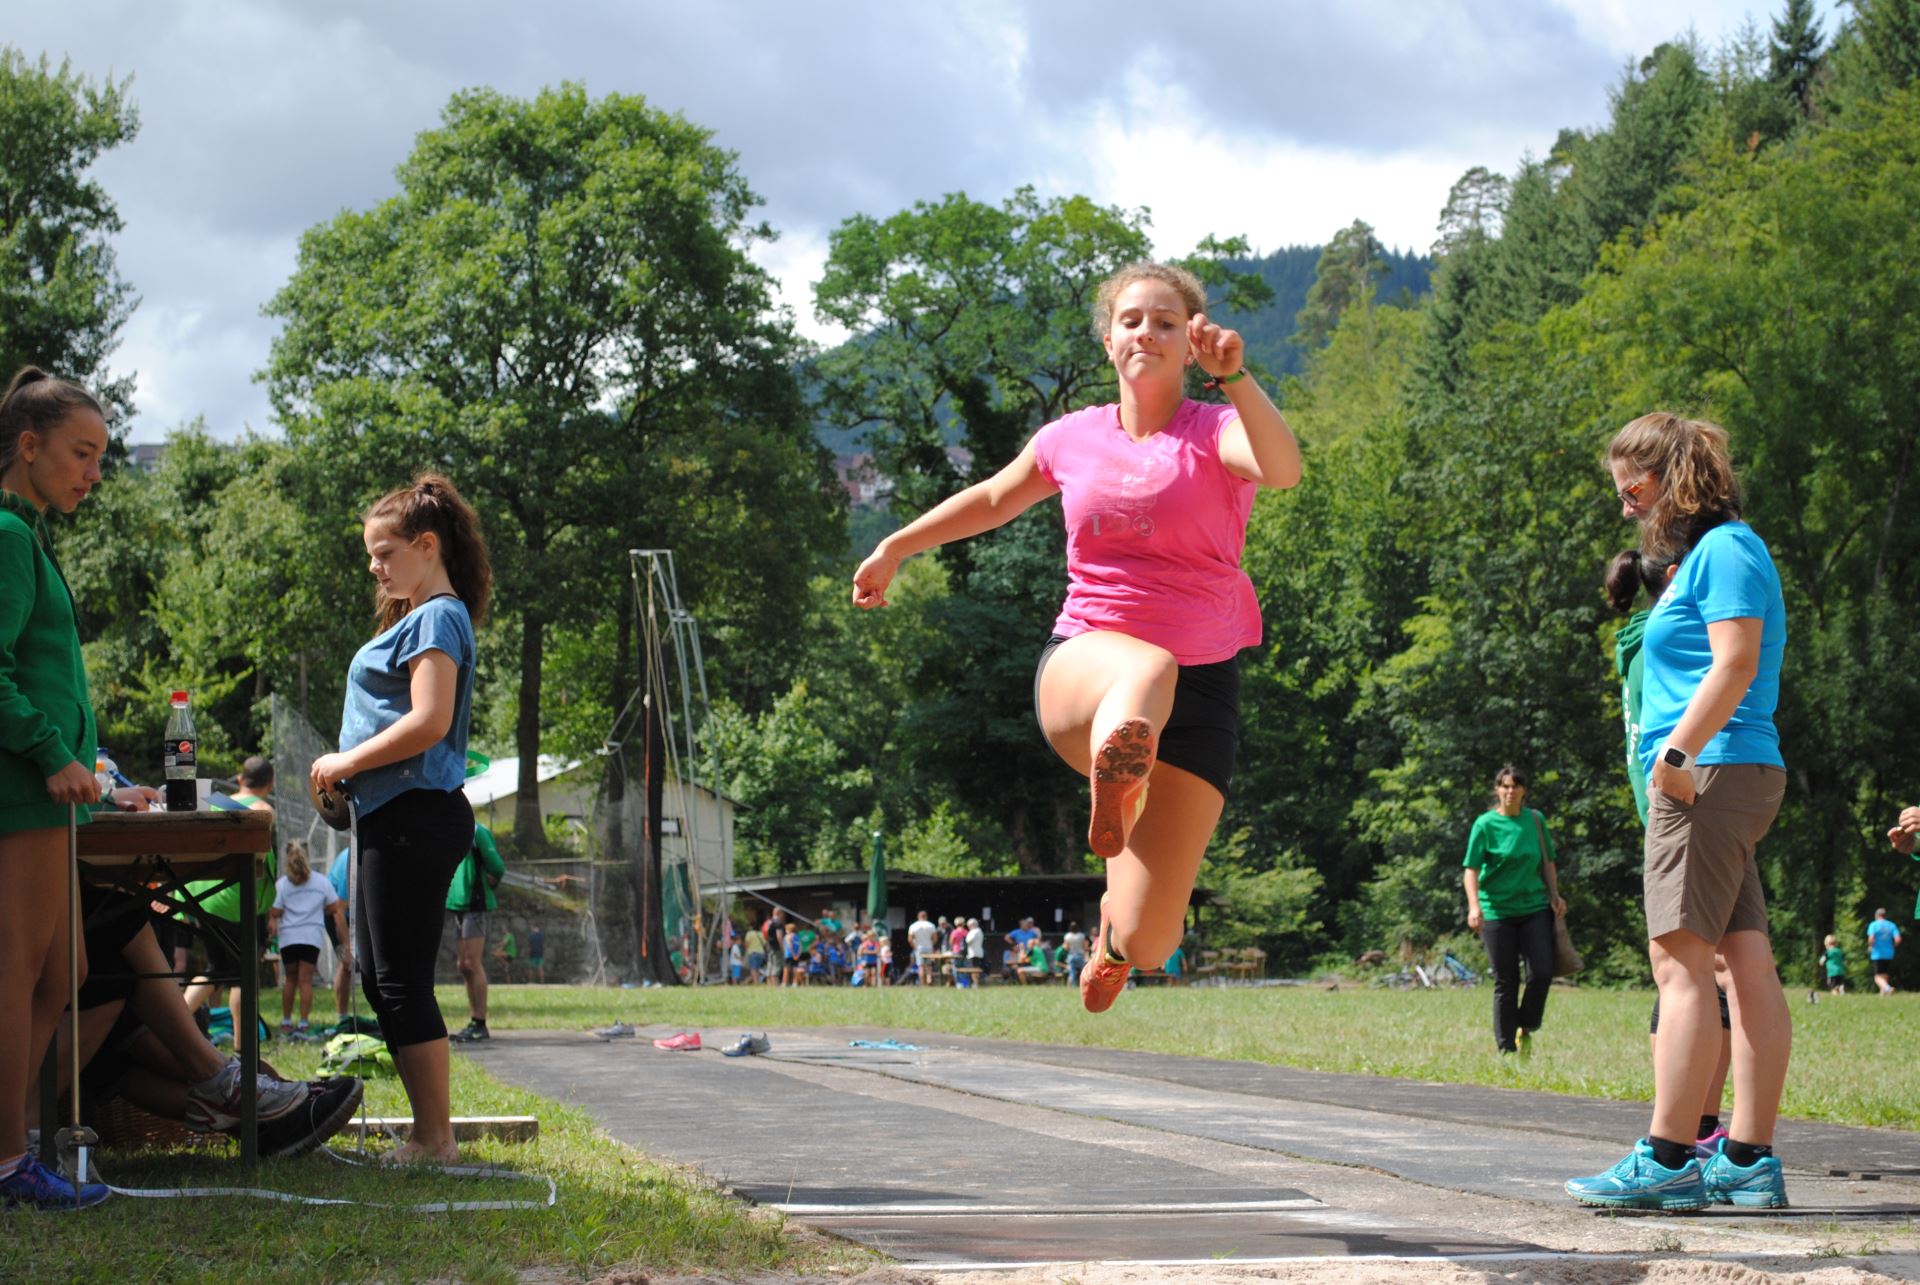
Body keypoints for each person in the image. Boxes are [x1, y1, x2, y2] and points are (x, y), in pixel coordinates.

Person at [852, 262, 1301, 1014]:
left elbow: (1282, 470)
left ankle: (1112, 935)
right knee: (1148, 667)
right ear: (1107, 340)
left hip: (1201, 691)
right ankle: (1118, 766)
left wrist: (1240, 378)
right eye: (1131, 320)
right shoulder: (1071, 437)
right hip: (1087, 670)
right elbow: (993, 497)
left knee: (1155, 938)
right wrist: (895, 546)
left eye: (1166, 322)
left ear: (1191, 345)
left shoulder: (1217, 429)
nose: (1147, 333)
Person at [1568, 413, 1790, 1211]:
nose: (1626, 507)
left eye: (1631, 488)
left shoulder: (1725, 551)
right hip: (1732, 769)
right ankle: (1746, 1158)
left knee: (1680, 962)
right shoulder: (1718, 554)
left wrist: (1674, 757)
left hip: (1708, 770)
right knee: (1743, 961)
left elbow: (1733, 660)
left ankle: (1667, 1158)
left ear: (1670, 478)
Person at [308, 472, 490, 1165]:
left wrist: (345, 759)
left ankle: (435, 1138)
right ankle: (427, 1132)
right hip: (392, 817)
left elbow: (429, 720)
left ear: (426, 544)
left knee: (399, 978)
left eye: (385, 553)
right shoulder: (421, 615)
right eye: (371, 556)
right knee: (384, 975)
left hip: (416, 815)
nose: (376, 568)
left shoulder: (439, 616)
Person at [0, 366, 114, 1210]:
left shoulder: (27, 535)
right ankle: (9, 1162)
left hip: (50, 794)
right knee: (18, 971)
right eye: (82, 452)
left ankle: (15, 1142)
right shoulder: (5, 535)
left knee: (61, 967)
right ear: (27, 446)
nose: (94, 473)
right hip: (20, 791)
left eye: (102, 456)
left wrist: (90, 761)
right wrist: (50, 751)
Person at [1612, 546, 1736, 1154]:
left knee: (1690, 964)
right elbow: (1727, 679)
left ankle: (1694, 1126)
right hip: (1689, 785)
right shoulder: (1674, 635)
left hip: (1662, 791)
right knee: (1702, 966)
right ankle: (1698, 1129)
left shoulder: (1634, 640)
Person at [1461, 765, 1566, 1056]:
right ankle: (1506, 1048)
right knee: (1506, 980)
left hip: (1534, 907)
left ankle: (1527, 1025)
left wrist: (1555, 894)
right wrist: (1474, 906)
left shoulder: (1535, 821)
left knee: (1542, 972)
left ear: (1523, 791)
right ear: (1497, 790)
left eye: (1515, 786)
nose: (1510, 792)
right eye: (1504, 786)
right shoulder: (1485, 824)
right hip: (1497, 912)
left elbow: (1548, 862)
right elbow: (1470, 869)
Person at [180, 755, 281, 1054]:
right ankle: (243, 1046)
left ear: (239, 779)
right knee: (242, 972)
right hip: (239, 899)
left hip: (202, 896)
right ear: (270, 783)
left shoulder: (210, 799)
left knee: (216, 969)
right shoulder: (263, 809)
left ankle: (176, 1026)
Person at [269, 839, 344, 1039]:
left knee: (290, 979)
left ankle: (286, 1022)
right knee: (306, 980)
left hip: (288, 938)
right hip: (311, 937)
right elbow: (333, 906)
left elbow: (275, 910)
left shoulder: (282, 884)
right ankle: (303, 1023)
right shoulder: (321, 882)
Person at [447, 821, 504, 1043]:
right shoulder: (449, 828)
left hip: (475, 904)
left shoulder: (476, 831)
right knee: (463, 965)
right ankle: (473, 1020)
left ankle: (480, 1023)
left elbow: (497, 866)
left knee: (473, 963)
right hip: (458, 905)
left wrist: (494, 879)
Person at [327, 846, 355, 1019]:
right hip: (336, 915)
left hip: (354, 912)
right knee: (346, 964)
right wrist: (346, 946)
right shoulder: (349, 861)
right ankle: (342, 1017)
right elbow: (338, 910)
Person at [1866, 909, 1901, 996]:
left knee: (1877, 977)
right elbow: (1898, 939)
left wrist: (1870, 946)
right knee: (1884, 974)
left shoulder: (1873, 925)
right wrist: (1893, 946)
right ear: (1885, 915)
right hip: (1889, 953)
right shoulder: (1891, 925)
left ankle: (1888, 988)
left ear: (1876, 916)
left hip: (1877, 953)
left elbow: (1871, 938)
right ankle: (1883, 993)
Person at [907, 910, 938, 986]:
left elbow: (910, 939)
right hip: (929, 947)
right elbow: (935, 938)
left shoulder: (913, 926)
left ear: (918, 917)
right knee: (929, 965)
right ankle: (929, 980)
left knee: (921, 966)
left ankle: (922, 982)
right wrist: (932, 945)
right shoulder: (931, 925)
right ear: (926, 916)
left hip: (919, 948)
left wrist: (915, 947)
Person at [1062, 921, 1090, 986]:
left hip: (1071, 955)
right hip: (1080, 955)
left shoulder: (1067, 936)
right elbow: (1084, 947)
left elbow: (1066, 947)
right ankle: (1083, 985)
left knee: (1072, 973)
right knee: (1082, 972)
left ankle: (1073, 985)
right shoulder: (1081, 935)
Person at [743, 919, 767, 987]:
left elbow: (747, 944)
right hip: (761, 953)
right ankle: (757, 982)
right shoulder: (761, 934)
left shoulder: (749, 933)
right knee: (758, 969)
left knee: (753, 969)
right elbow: (765, 944)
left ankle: (756, 984)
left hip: (753, 953)